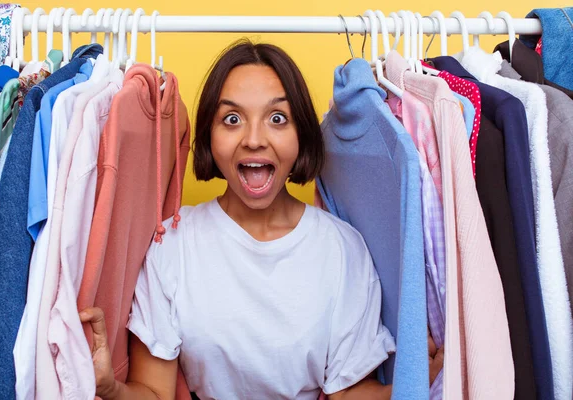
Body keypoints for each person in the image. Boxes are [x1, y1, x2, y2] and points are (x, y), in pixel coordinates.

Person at [80, 40, 443, 400]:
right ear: (209, 134)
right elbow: (156, 393)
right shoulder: (172, 243)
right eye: (232, 119)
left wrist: (416, 384)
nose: (254, 140)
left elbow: (347, 394)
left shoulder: (343, 250)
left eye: (277, 118)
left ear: (301, 134)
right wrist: (110, 388)